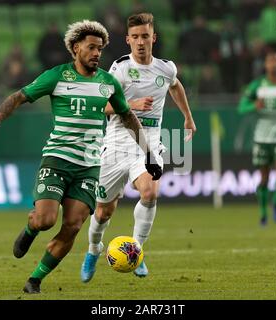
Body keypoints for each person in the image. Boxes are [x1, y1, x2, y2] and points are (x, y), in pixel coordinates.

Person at [0, 20, 162, 294]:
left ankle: (35, 280)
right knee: (45, 220)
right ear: (76, 48)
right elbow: (18, 97)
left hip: (89, 167)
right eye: (91, 48)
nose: (97, 53)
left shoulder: (108, 82)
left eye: (100, 48)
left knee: (73, 226)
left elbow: (128, 117)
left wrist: (149, 154)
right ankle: (31, 229)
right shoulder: (57, 76)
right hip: (57, 159)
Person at [80, 13, 196, 282]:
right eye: (136, 37)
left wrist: (188, 117)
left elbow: (175, 87)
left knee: (150, 191)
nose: (141, 42)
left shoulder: (166, 68)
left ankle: (137, 251)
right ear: (128, 40)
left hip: (150, 140)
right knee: (103, 211)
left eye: (145, 36)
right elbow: (102, 107)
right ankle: (92, 251)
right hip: (118, 141)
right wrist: (131, 105)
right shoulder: (119, 69)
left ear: (153, 38)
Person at [238, 52, 276, 226]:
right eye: (270, 61)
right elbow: (241, 108)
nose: (274, 65)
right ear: (265, 65)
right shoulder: (257, 85)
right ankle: (263, 213)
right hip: (262, 138)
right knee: (264, 178)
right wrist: (253, 105)